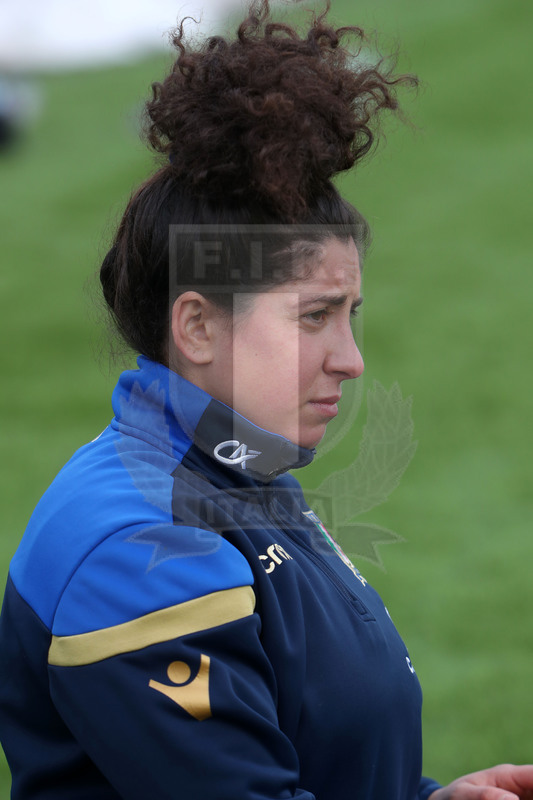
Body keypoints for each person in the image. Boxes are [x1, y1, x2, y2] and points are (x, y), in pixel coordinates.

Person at [0, 2, 531, 798]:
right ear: (198, 327)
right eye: (313, 317)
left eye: (349, 316)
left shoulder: (233, 471)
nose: (350, 361)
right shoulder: (140, 547)